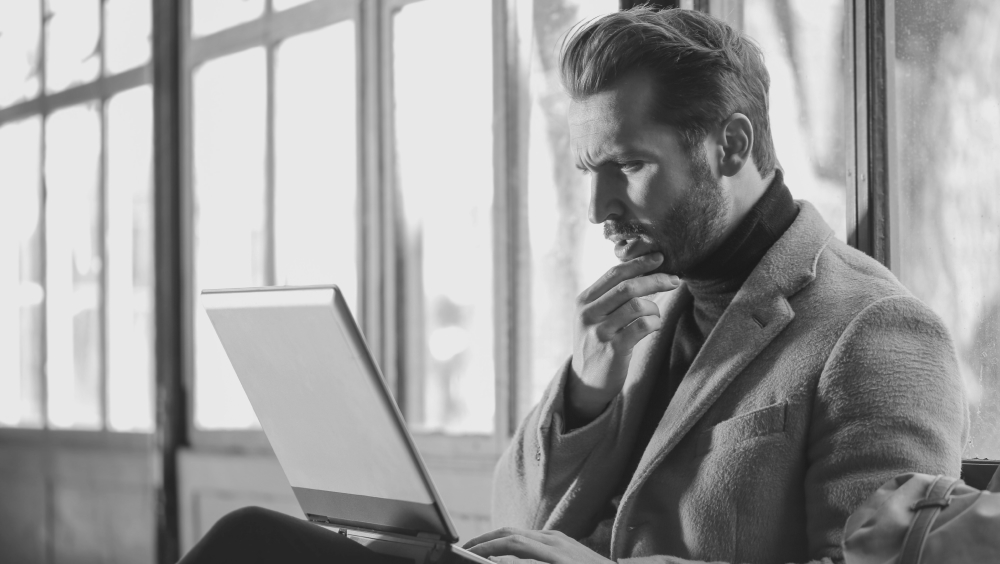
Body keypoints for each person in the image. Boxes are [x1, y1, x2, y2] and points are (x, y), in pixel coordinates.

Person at [178, 6, 967, 564]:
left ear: (731, 145)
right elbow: (512, 523)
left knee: (250, 541)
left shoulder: (875, 329)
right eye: (590, 173)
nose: (598, 210)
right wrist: (589, 387)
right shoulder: (647, 310)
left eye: (628, 166)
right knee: (256, 545)